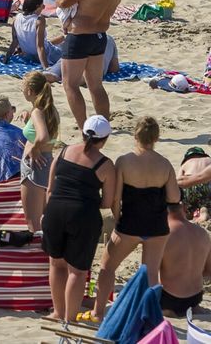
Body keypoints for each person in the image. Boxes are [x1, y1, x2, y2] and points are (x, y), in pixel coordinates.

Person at [89, 116, 180, 321]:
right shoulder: (164, 164)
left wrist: (117, 217)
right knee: (150, 275)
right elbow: (174, 197)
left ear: (135, 135)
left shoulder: (125, 161)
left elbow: (115, 198)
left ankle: (98, 311)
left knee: (107, 267)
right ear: (156, 137)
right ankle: (149, 317)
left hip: (130, 224)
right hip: (157, 226)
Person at [43, 116, 117, 323]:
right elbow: (106, 202)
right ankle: (70, 317)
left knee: (56, 264)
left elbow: (50, 187)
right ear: (104, 139)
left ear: (83, 133)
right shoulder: (105, 165)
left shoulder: (64, 151)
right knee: (77, 271)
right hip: (83, 215)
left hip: (55, 210)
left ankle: (58, 312)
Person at [56, 0, 121, 131]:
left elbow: (64, 2)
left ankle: (84, 127)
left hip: (79, 37)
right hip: (100, 37)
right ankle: (103, 126)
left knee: (70, 85)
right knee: (96, 85)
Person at [18, 70, 60, 232]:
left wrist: (34, 148)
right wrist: (28, 120)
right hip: (47, 163)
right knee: (44, 217)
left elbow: (43, 136)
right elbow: (43, 131)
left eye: (22, 87)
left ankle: (37, 256)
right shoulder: (50, 110)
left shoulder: (38, 112)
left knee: (32, 222)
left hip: (34, 167)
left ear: (30, 90)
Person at [158, 199, 211, 316]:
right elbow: (208, 271)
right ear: (183, 208)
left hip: (168, 300)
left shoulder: (163, 234)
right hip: (195, 299)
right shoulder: (203, 234)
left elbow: (149, 272)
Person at [8, 0, 63, 74]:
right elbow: (40, 47)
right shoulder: (39, 20)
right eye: (42, 5)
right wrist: (46, 68)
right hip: (48, 55)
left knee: (61, 38)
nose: (43, 7)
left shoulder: (16, 19)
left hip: (29, 55)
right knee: (66, 44)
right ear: (37, 6)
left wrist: (6, 59)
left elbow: (14, 43)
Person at [179, 147, 211, 223]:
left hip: (189, 183)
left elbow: (179, 181)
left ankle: (188, 211)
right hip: (206, 182)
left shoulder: (185, 164)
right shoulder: (208, 160)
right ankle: (204, 209)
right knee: (206, 199)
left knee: (187, 202)